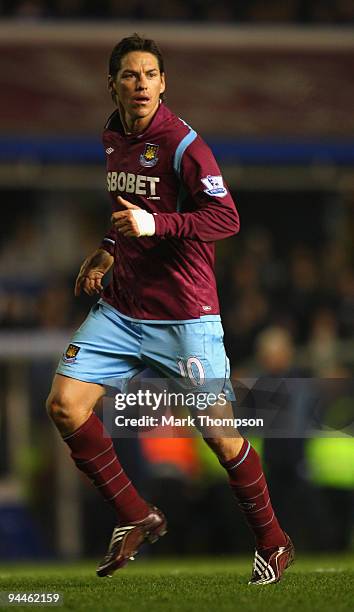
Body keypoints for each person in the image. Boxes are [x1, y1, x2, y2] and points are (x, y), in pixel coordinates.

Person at [46, 33, 294, 584]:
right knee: (64, 404)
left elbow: (225, 219)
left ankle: (273, 542)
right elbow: (129, 208)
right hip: (122, 307)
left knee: (219, 434)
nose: (141, 85)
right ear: (111, 84)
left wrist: (155, 225)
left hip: (184, 314)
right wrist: (109, 253)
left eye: (151, 75)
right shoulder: (112, 133)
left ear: (164, 83)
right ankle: (135, 515)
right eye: (131, 75)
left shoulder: (185, 146)